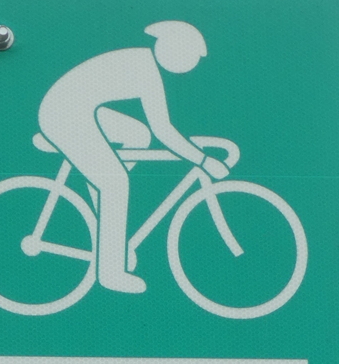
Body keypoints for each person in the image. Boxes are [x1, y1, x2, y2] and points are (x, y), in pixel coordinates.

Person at [37, 21, 227, 294]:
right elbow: (163, 130)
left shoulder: (144, 62)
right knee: (116, 183)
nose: (190, 62)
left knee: (138, 136)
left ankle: (105, 214)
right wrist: (203, 160)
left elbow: (156, 130)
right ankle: (111, 273)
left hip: (74, 108)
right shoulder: (144, 69)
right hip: (64, 115)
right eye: (188, 55)